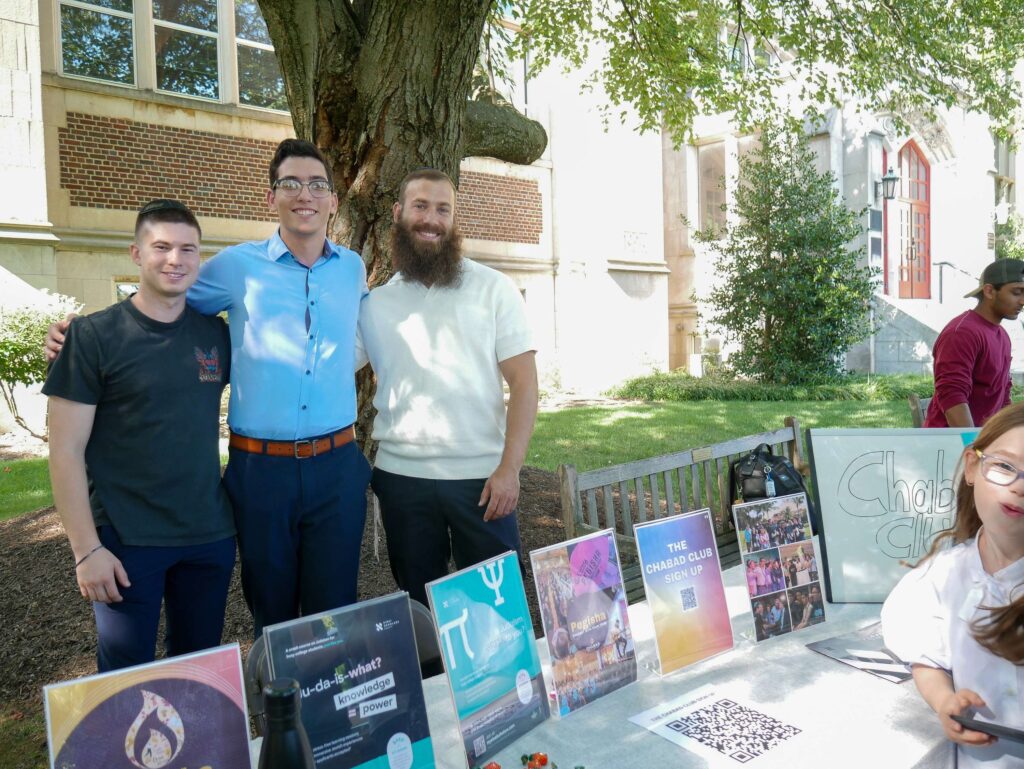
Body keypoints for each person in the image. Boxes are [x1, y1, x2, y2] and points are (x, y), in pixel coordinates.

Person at [46, 140, 370, 637]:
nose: (304, 194)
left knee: (336, 612)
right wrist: (85, 334)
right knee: (273, 610)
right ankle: (279, 688)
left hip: (337, 464)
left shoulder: (352, 268)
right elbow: (161, 296)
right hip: (261, 471)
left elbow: (362, 333)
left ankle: (332, 688)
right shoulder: (235, 267)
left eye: (316, 184)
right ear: (271, 197)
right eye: (290, 183)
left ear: (333, 199)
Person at [44, 200, 235, 672]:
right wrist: (86, 550)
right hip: (125, 539)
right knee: (126, 680)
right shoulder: (92, 337)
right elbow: (64, 451)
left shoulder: (216, 336)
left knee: (199, 674)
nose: (175, 259)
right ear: (135, 253)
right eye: (161, 247)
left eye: (188, 249)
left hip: (207, 534)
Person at [356, 168, 538, 607]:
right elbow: (328, 369)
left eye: (443, 209)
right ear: (398, 213)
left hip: (483, 481)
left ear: (455, 219)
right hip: (402, 481)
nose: (431, 219)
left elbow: (525, 385)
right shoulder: (373, 304)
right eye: (420, 206)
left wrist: (509, 469)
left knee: (499, 610)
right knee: (421, 610)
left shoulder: (494, 289)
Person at [882, 403, 1024, 769]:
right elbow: (926, 657)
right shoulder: (941, 576)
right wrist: (945, 701)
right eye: (1005, 466)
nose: (1020, 486)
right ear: (973, 466)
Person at [924, 259, 1024, 428]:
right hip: (951, 441)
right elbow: (952, 396)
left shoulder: (1002, 335)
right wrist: (972, 443)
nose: (1022, 301)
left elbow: (1002, 394)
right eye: (1016, 292)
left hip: (985, 438)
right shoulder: (962, 333)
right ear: (989, 291)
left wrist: (1008, 433)